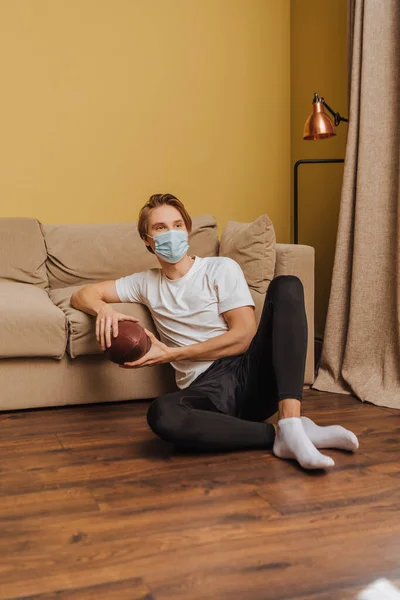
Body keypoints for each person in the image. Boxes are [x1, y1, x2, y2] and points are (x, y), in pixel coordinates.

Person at [71, 193, 359, 470]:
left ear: (188, 231)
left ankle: (292, 421)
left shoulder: (220, 268)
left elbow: (244, 335)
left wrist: (173, 353)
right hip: (204, 392)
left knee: (288, 285)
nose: (171, 233)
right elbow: (82, 294)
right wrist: (103, 310)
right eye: (160, 228)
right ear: (147, 241)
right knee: (162, 414)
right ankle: (281, 435)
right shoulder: (145, 282)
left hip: (247, 373)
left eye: (177, 225)